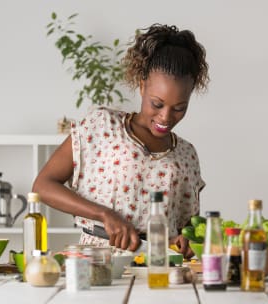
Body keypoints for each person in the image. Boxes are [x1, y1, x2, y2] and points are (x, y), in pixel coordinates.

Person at [32, 23, 209, 258]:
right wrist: (105, 214)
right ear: (142, 85)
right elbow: (43, 186)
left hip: (159, 266)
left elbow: (187, 228)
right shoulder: (101, 125)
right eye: (157, 104)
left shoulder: (187, 155)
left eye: (179, 108)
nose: (166, 117)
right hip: (98, 262)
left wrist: (183, 241)